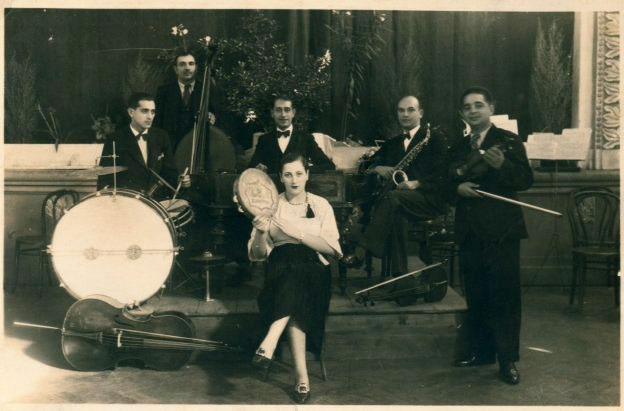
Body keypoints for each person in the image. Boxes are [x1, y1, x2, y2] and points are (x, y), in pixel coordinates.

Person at [448, 86, 533, 385]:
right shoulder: (459, 147)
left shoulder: (508, 141)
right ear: (462, 113)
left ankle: (507, 360)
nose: (473, 111)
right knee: (477, 295)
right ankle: (482, 352)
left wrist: (502, 166)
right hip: (471, 231)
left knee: (505, 297)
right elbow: (445, 181)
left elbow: (524, 180)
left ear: (491, 108)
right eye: (467, 107)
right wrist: (456, 188)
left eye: (479, 105)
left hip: (501, 231)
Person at [248, 152, 342, 404]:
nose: (294, 180)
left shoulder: (321, 205)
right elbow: (257, 255)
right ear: (280, 177)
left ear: (307, 175)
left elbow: (332, 250)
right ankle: (302, 377)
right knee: (292, 273)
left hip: (315, 276)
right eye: (288, 174)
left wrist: (296, 233)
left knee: (298, 269)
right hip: (279, 276)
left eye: (299, 173)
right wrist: (259, 233)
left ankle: (270, 340)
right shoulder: (269, 206)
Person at [343, 95, 448, 277]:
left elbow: (444, 174)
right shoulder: (392, 143)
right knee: (395, 212)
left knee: (393, 198)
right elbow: (365, 166)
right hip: (396, 203)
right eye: (401, 110)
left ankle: (362, 249)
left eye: (410, 110)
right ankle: (400, 279)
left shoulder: (434, 139)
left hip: (427, 199)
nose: (405, 114)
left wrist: (417, 183)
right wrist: (378, 168)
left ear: (421, 113)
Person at [97, 92, 190, 196]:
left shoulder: (161, 136)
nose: (150, 117)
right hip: (128, 201)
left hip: (157, 201)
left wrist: (180, 179)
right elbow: (104, 177)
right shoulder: (115, 139)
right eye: (145, 111)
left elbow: (169, 171)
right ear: (131, 112)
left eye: (153, 112)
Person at [248, 96, 335, 174]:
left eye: (287, 110)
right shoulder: (264, 140)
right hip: (272, 190)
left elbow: (328, 165)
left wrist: (303, 170)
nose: (283, 114)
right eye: (278, 110)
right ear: (272, 113)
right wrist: (258, 169)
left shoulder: (306, 138)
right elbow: (251, 168)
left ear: (293, 113)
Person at [154, 50, 216, 150]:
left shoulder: (207, 89)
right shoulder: (164, 91)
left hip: (198, 146)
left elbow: (218, 114)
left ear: (196, 67)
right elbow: (157, 122)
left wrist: (212, 116)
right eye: (182, 64)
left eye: (191, 64)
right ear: (175, 69)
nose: (187, 68)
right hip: (171, 147)